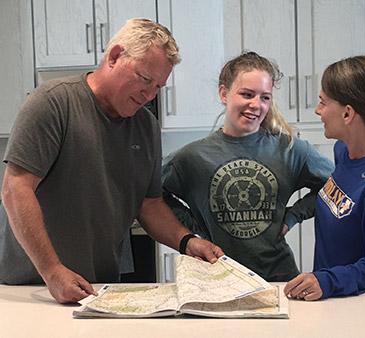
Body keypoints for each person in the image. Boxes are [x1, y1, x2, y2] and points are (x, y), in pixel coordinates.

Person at [0, 18, 223, 304]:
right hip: (32, 287)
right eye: (144, 79)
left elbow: (149, 204)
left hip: (97, 286)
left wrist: (187, 241)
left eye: (158, 86)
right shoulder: (53, 103)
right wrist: (53, 271)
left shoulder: (146, 126)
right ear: (115, 56)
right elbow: (15, 189)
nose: (149, 94)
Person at [162, 51, 334, 282]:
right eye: (247, 94)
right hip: (217, 280)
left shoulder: (291, 150)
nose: (256, 105)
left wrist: (294, 215)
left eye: (265, 97)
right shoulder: (192, 157)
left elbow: (336, 185)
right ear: (224, 93)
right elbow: (151, 194)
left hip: (278, 279)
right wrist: (193, 226)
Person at [284, 55, 365, 301]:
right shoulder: (343, 152)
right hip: (333, 300)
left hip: (360, 308)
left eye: (323, 102)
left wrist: (328, 280)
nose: (317, 110)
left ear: (347, 114)